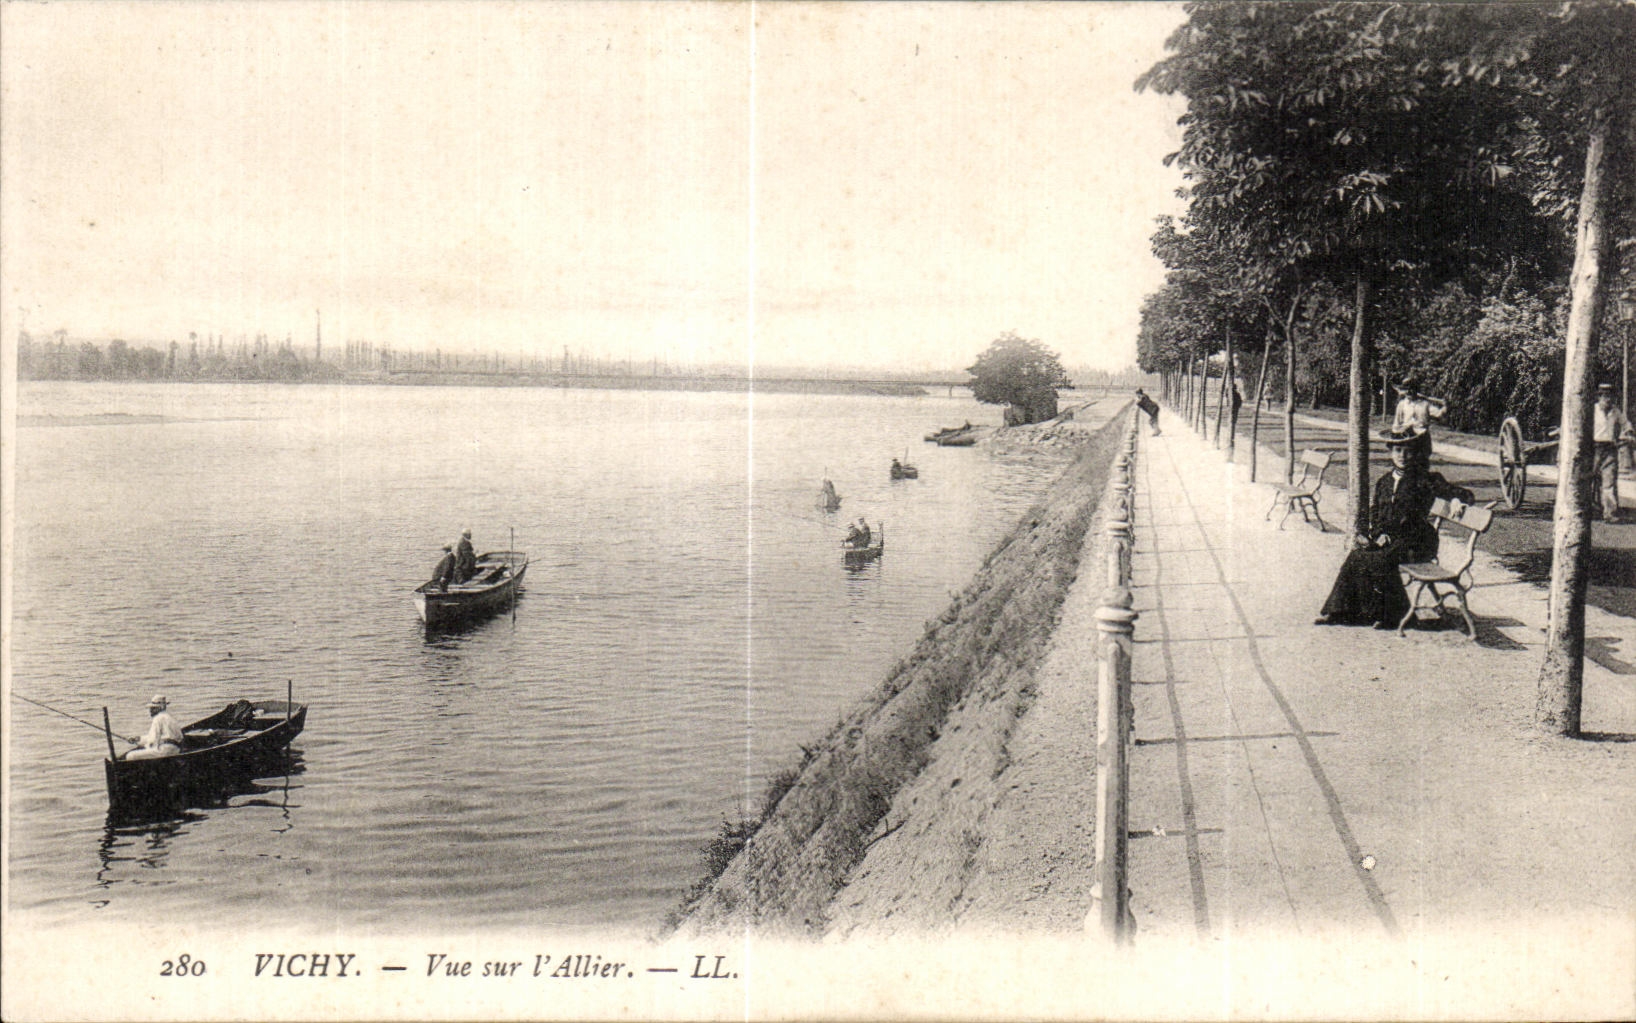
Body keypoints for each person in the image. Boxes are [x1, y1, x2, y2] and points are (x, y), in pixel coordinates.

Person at [1315, 428, 1474, 628]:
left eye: (1408, 451)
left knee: (1380, 559)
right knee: (1356, 556)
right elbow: (1376, 513)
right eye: (1398, 451)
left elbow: (1461, 493)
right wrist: (1378, 534)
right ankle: (1343, 612)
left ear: (1415, 453)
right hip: (1393, 541)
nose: (1403, 456)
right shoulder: (1384, 482)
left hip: (1417, 542)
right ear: (1391, 452)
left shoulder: (1424, 479)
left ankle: (1395, 616)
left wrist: (1457, 500)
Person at [1594, 382, 1635, 523]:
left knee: (1609, 481)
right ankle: (1583, 509)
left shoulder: (1615, 412)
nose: (1608, 400)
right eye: (1605, 396)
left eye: (1610, 396)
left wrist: (1629, 432)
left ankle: (1609, 513)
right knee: (1586, 479)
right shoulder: (1592, 411)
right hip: (1592, 449)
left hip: (1610, 449)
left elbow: (1626, 424)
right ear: (1599, 397)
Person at [1391, 375, 1447, 462]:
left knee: (1422, 465)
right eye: (1406, 389)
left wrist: (1445, 406)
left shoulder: (1425, 404)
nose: (1409, 392)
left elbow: (1439, 414)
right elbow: (1396, 424)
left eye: (1411, 389)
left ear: (1416, 390)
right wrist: (1396, 437)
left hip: (1422, 440)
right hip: (1407, 439)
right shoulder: (1402, 404)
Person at [126, 694, 184, 760]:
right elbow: (179, 738)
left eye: (153, 708)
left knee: (130, 755)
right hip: (175, 750)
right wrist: (138, 739)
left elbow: (153, 741)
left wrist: (142, 744)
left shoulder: (158, 718)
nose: (150, 710)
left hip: (164, 751)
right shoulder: (170, 718)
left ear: (158, 708)